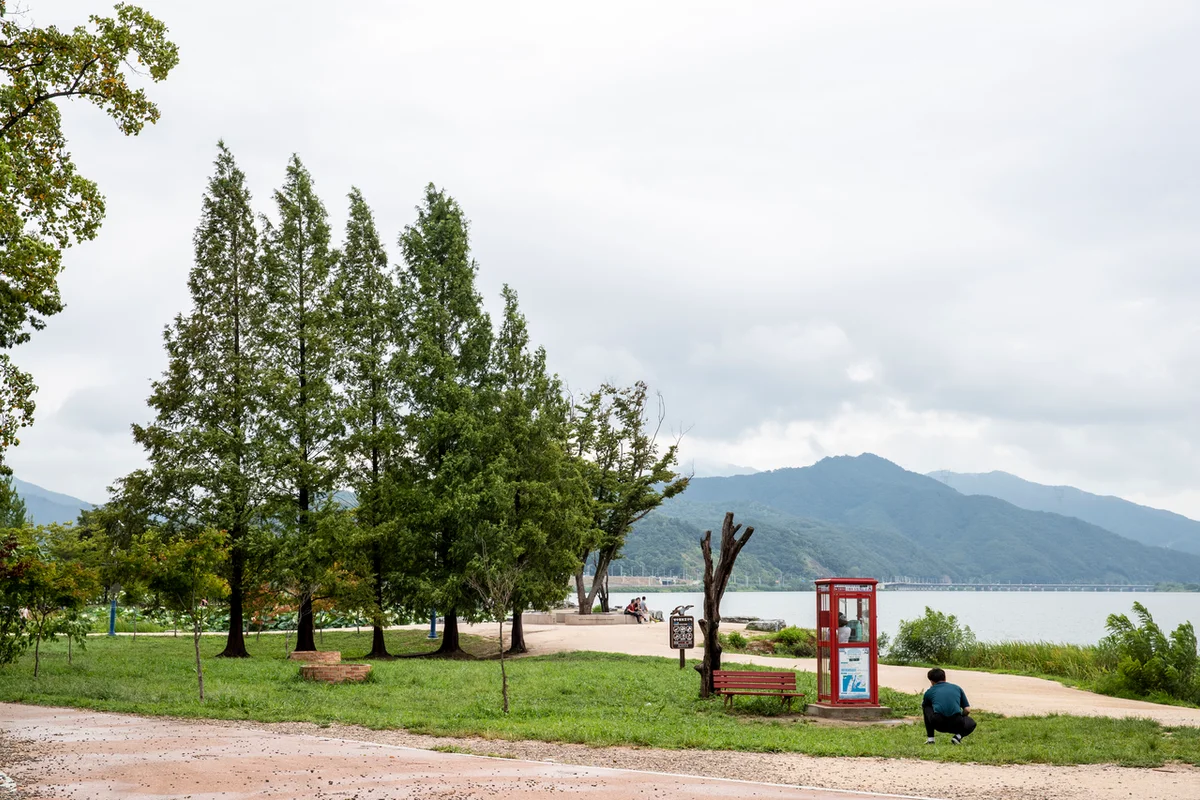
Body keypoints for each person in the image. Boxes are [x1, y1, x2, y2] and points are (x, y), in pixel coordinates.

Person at [922, 667, 976, 745]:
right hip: (956, 723)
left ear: (931, 681)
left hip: (938, 724)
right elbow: (967, 710)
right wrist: (961, 717)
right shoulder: (957, 688)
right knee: (971, 722)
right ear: (945, 678)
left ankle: (931, 739)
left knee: (926, 706)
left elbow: (927, 706)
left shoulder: (929, 692)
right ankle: (958, 737)